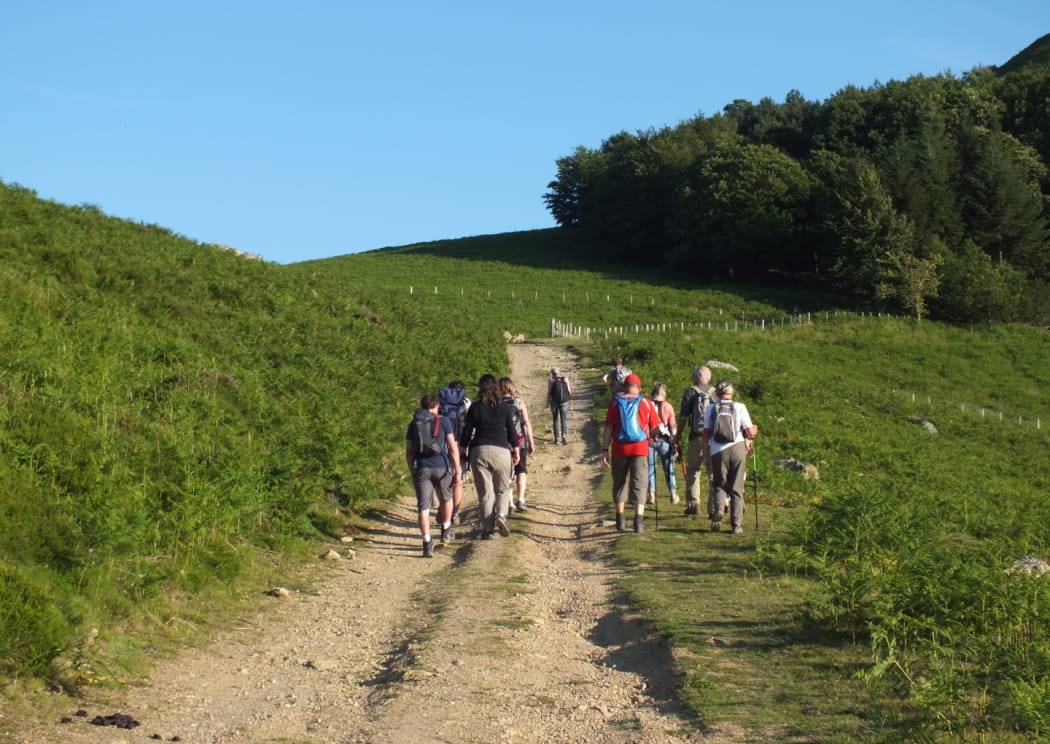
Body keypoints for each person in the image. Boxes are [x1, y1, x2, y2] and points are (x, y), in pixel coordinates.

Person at [460, 374, 520, 539]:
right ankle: (501, 514)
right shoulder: (504, 408)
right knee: (503, 488)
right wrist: (516, 451)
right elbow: (512, 432)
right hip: (501, 450)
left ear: (481, 388)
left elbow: (467, 431)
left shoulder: (475, 407)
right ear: (496, 388)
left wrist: (462, 450)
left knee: (486, 493)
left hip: (479, 451)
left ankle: (488, 530)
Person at [601, 373, 661, 533]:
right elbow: (654, 429)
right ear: (639, 388)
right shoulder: (646, 403)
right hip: (640, 449)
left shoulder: (615, 403)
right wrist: (657, 434)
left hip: (619, 448)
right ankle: (638, 522)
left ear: (624, 387)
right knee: (640, 483)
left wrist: (605, 449)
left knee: (619, 482)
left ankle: (620, 520)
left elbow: (608, 428)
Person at [405, 394, 461, 557]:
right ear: (437, 405)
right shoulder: (444, 421)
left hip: (422, 467)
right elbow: (452, 448)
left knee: (424, 507)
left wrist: (413, 470)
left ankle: (427, 542)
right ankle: (445, 529)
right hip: (442, 466)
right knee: (447, 498)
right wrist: (457, 469)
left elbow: (408, 453)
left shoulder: (414, 424)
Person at [702, 379, 758, 534]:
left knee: (719, 484)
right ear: (732, 392)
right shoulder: (740, 407)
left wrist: (705, 455)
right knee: (737, 488)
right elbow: (750, 432)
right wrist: (755, 429)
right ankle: (736, 524)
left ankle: (718, 511)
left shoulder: (711, 408)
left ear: (717, 393)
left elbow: (706, 433)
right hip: (737, 448)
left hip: (717, 450)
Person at [678, 366, 715, 516]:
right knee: (712, 473)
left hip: (696, 437)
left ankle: (694, 504)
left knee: (693, 470)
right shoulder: (716, 393)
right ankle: (713, 508)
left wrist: (678, 435)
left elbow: (683, 416)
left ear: (696, 377)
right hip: (713, 439)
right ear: (708, 378)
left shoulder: (690, 392)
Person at [499, 377, 535, 512]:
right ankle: (520, 499)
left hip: (504, 442)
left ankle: (510, 504)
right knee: (521, 470)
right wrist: (531, 441)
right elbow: (526, 422)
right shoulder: (519, 402)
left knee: (507, 474)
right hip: (520, 441)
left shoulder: (496, 403)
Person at [438, 381, 471, 525]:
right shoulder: (466, 402)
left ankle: (444, 505)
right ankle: (455, 513)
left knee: (442, 478)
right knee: (458, 480)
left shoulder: (440, 402)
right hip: (459, 444)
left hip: (442, 443)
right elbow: (471, 423)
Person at [647, 381, 679, 506]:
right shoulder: (668, 406)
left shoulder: (647, 405)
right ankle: (673, 493)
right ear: (664, 393)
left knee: (650, 468)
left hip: (649, 440)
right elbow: (673, 425)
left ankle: (651, 494)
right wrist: (674, 437)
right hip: (665, 440)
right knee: (669, 468)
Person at [543, 367, 572, 445]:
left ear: (552, 373)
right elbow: (569, 391)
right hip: (565, 402)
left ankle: (557, 439)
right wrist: (568, 399)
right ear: (559, 372)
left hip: (554, 402)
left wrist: (547, 405)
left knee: (555, 419)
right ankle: (564, 435)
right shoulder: (565, 379)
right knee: (564, 419)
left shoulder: (551, 380)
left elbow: (549, 393)